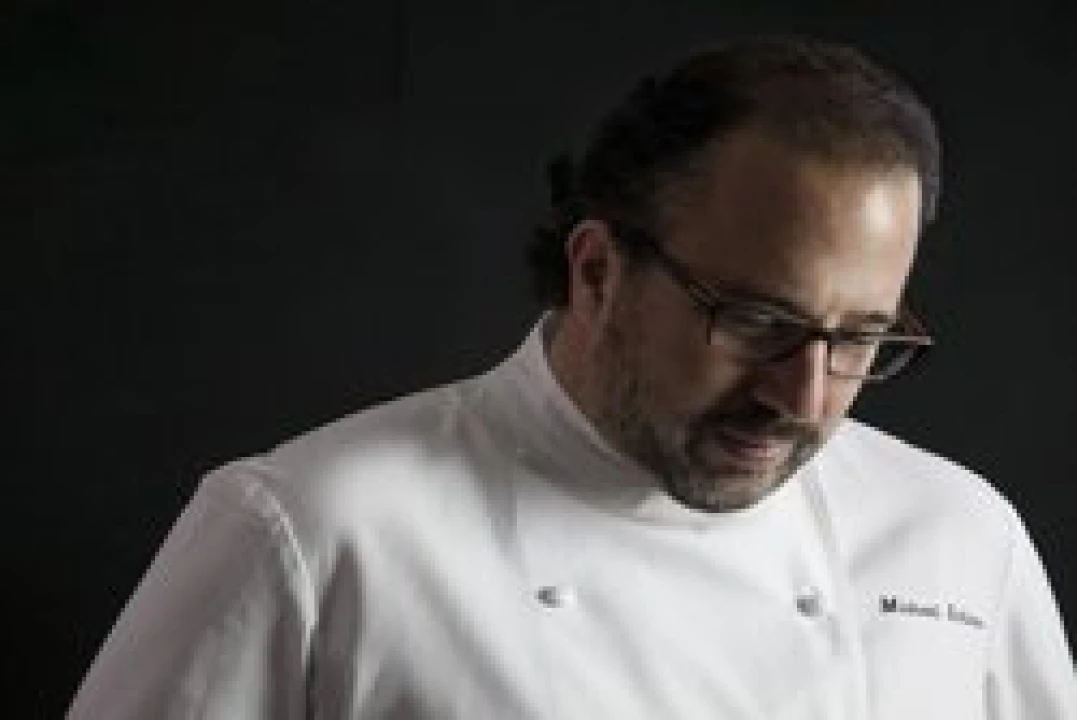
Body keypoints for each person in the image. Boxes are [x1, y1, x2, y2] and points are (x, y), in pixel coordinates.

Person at [68, 36, 1075, 719]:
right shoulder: (311, 534)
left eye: (860, 338)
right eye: (757, 322)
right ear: (597, 271)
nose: (804, 399)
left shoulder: (957, 536)